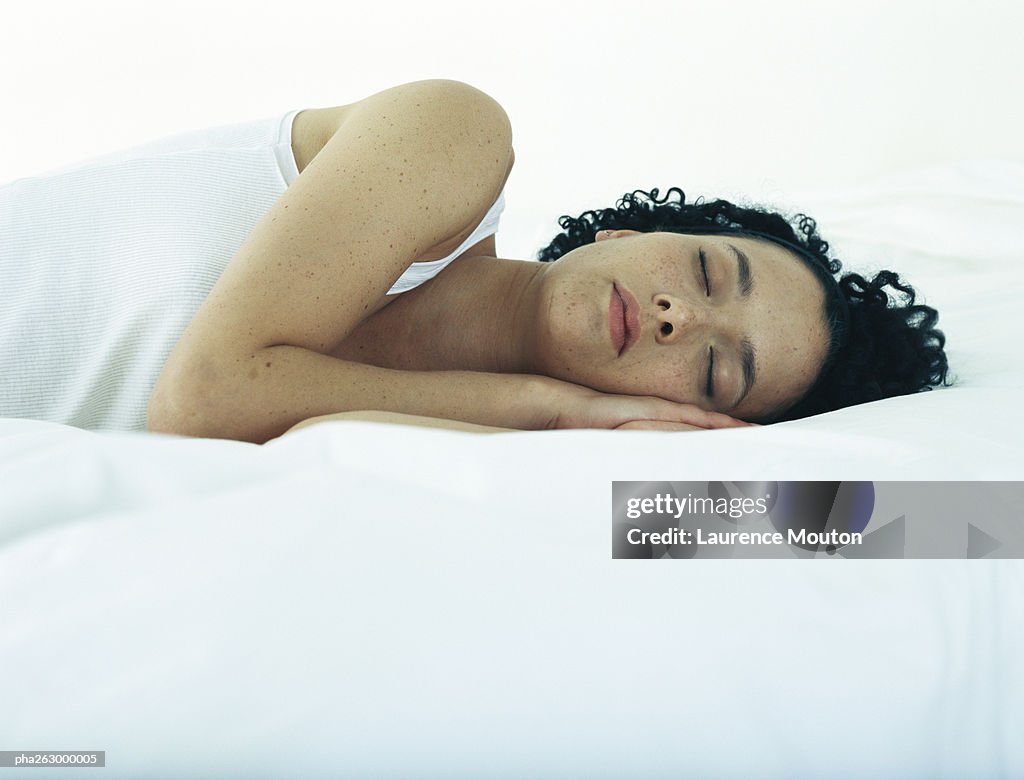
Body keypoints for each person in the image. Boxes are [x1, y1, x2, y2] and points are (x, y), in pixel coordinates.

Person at [0, 79, 949, 443]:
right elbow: (201, 397)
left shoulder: (451, 449)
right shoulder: (456, 139)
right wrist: (555, 405)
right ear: (625, 235)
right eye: (705, 273)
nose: (679, 318)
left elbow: (938, 530)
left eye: (714, 368)